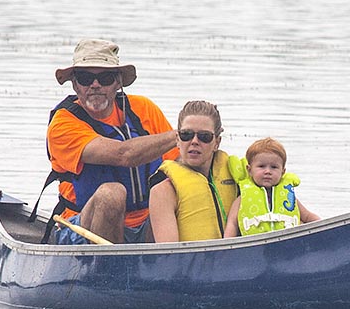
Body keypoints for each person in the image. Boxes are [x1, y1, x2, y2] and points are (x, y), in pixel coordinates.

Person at [34, 38, 180, 244]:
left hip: (149, 222)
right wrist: (182, 134)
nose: (95, 85)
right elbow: (124, 154)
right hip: (81, 228)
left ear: (118, 82)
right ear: (74, 84)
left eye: (105, 78)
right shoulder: (63, 124)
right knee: (112, 194)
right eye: (85, 78)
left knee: (180, 184)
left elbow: (179, 162)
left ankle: (173, 257)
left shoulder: (144, 108)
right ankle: (107, 263)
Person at [148, 101, 238, 242]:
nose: (195, 141)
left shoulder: (237, 177)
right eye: (186, 135)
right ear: (178, 140)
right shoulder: (163, 192)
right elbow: (169, 252)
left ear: (217, 142)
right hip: (190, 257)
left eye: (204, 136)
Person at [223, 137, 320, 238]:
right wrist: (228, 244)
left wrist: (323, 227)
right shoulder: (242, 199)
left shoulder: (289, 197)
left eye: (274, 167)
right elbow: (232, 224)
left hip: (287, 242)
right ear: (249, 170)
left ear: (283, 172)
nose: (268, 171)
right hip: (255, 244)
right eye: (261, 166)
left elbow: (308, 216)